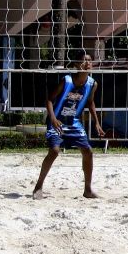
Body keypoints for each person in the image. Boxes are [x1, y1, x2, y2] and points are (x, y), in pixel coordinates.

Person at [32, 49, 105, 200]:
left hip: (74, 123)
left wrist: (96, 122)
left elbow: (90, 103)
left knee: (88, 151)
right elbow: (49, 99)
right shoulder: (67, 80)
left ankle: (88, 190)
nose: (88, 63)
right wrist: (52, 118)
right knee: (54, 151)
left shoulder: (92, 84)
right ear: (76, 64)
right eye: (84, 60)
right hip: (57, 121)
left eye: (90, 60)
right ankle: (38, 186)